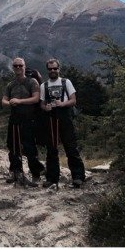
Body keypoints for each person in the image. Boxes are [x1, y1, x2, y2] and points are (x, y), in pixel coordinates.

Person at [40, 58, 86, 188]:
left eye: (55, 68)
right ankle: (52, 178)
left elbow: (73, 100)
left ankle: (78, 177)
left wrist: (62, 104)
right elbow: (42, 103)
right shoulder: (44, 86)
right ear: (47, 70)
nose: (53, 71)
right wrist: (45, 108)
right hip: (51, 118)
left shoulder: (66, 82)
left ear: (59, 69)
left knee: (71, 147)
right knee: (51, 149)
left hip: (65, 116)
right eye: (50, 69)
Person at [1, 57, 43, 187]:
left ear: (25, 66)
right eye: (15, 66)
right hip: (14, 118)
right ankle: (15, 172)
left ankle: (36, 173)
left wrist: (19, 101)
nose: (18, 68)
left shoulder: (32, 82)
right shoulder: (10, 84)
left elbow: (36, 98)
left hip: (28, 118)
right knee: (13, 145)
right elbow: (3, 101)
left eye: (20, 65)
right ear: (13, 68)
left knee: (29, 146)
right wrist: (9, 102)